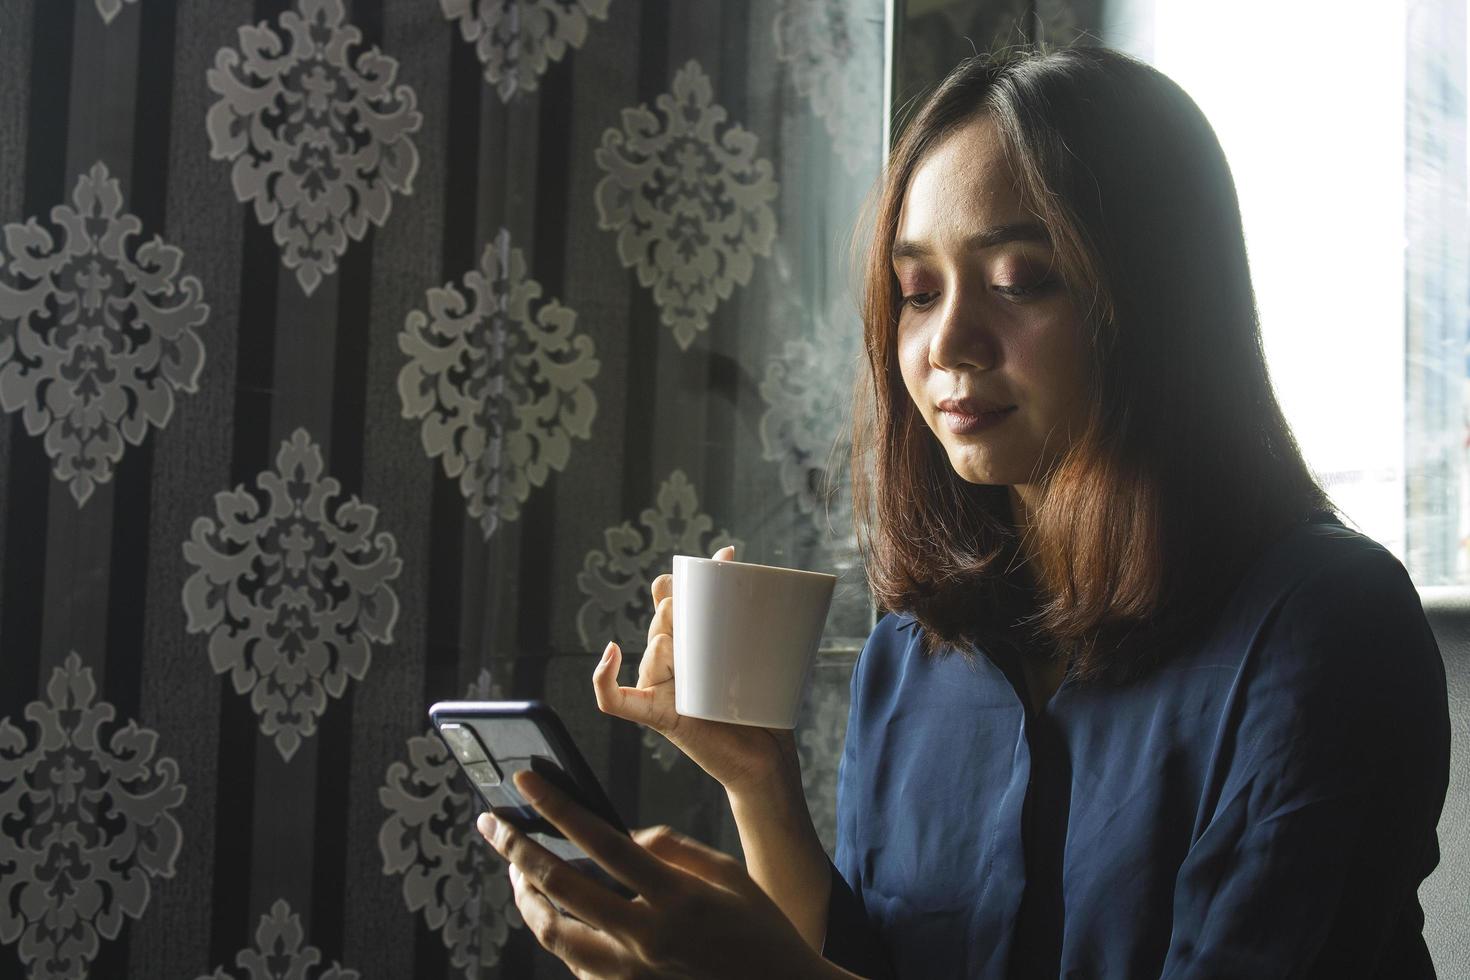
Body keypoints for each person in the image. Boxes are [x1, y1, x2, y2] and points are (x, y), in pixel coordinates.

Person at [476, 45, 1451, 979]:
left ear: (1157, 301)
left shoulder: (1327, 625)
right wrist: (757, 780)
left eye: (1020, 279)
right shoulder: (915, 653)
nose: (949, 342)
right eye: (916, 289)